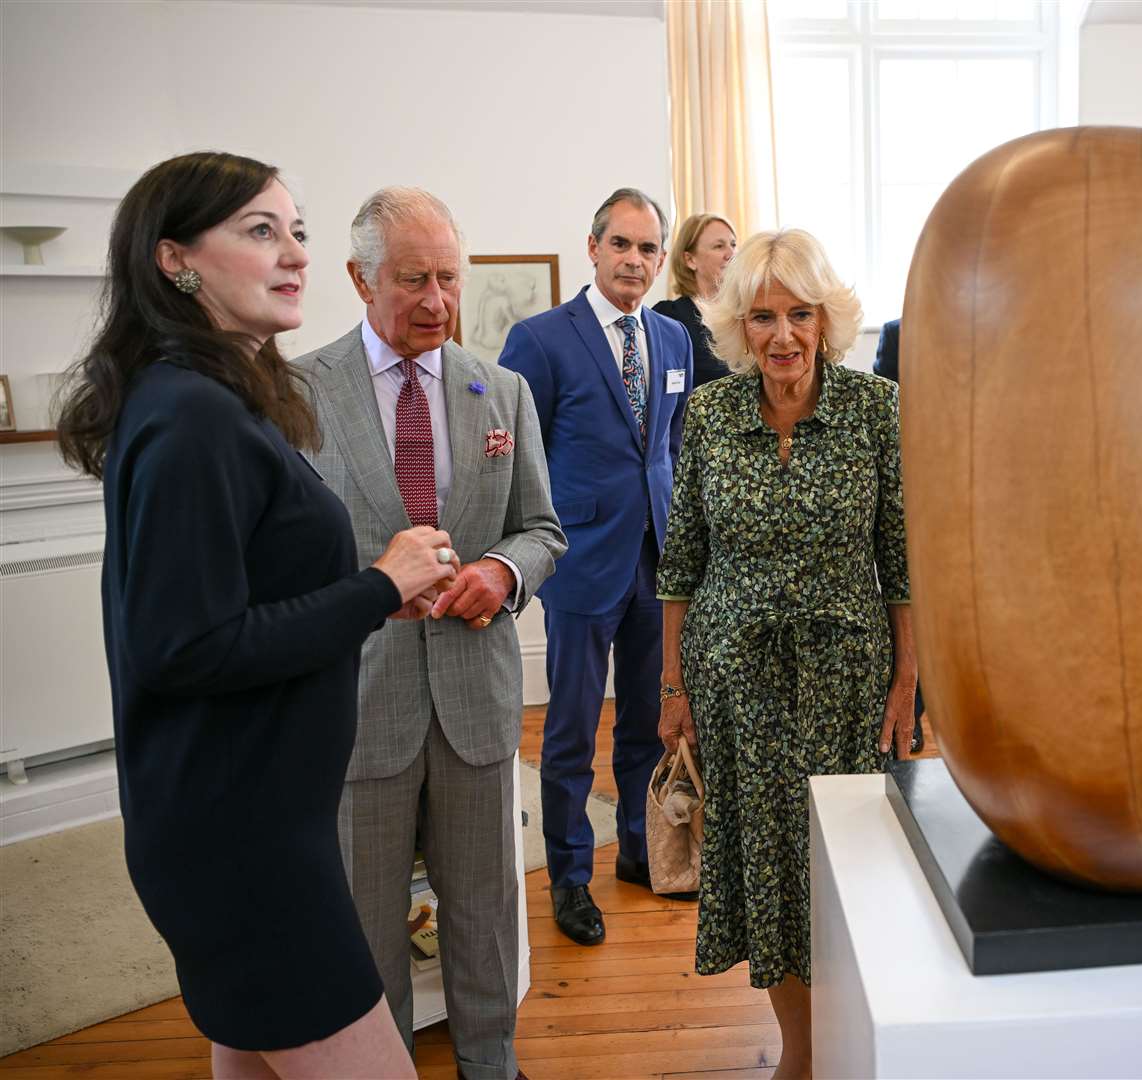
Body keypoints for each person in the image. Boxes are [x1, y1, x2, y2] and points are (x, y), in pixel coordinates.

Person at [56, 152, 453, 1078]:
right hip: (246, 847)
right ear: (174, 261)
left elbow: (234, 603)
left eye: (297, 232)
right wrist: (378, 587)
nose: (294, 256)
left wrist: (363, 597)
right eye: (259, 231)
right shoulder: (191, 415)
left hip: (253, 821)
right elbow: (185, 647)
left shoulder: (210, 400)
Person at [295, 186, 566, 1080]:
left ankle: (491, 1061)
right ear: (358, 277)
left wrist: (504, 572)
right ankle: (385, 1066)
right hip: (360, 705)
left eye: (450, 278)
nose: (437, 302)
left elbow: (543, 530)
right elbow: (281, 557)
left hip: (475, 706)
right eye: (414, 279)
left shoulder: (504, 389)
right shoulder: (294, 395)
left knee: (485, 909)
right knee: (365, 918)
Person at [656, 228, 917, 1080]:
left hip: (848, 678)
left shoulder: (877, 408)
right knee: (768, 865)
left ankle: (853, 1040)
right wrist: (673, 686)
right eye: (762, 316)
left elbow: (903, 561)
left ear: (826, 319)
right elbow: (682, 561)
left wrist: (909, 680)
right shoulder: (710, 412)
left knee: (847, 866)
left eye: (799, 314)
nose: (781, 336)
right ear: (738, 326)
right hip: (738, 683)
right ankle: (801, 1056)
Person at [498, 188, 695, 946]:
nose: (635, 262)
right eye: (622, 245)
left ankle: (641, 853)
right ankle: (570, 879)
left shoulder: (674, 341)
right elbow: (523, 457)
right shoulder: (542, 339)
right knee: (572, 735)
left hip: (658, 565)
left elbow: (669, 449)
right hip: (580, 563)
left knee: (650, 721)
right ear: (593, 246)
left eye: (648, 249)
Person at [870, 316, 925, 755]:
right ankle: (914, 714)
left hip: (984, 502)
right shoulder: (897, 333)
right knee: (913, 603)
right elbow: (885, 429)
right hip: (917, 493)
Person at [654, 212, 736, 388]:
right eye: (719, 246)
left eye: (733, 244)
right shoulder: (669, 317)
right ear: (690, 260)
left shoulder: (748, 312)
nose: (731, 254)